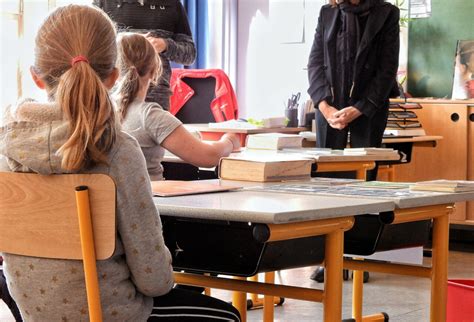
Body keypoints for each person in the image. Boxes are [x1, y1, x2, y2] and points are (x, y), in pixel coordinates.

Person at [0, 5, 240, 321]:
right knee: (229, 317)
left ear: (36, 77)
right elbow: (154, 280)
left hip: (35, 313)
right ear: (114, 76)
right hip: (118, 314)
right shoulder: (117, 149)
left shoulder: (7, 147)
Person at [307, 0, 400, 281]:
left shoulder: (386, 13)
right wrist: (324, 106)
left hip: (369, 108)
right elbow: (315, 63)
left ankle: (357, 256)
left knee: (363, 184)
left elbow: (387, 69)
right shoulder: (328, 12)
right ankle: (329, 257)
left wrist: (360, 107)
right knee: (327, 184)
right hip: (330, 110)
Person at [115, 32, 240, 181]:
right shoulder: (149, 115)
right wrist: (230, 141)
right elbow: (209, 157)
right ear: (155, 70)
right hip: (151, 201)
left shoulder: (102, 108)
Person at [94, 0, 196, 110]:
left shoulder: (172, 4)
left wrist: (165, 45)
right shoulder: (102, 3)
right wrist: (126, 41)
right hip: (113, 96)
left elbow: (190, 54)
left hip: (156, 97)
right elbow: (92, 50)